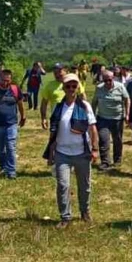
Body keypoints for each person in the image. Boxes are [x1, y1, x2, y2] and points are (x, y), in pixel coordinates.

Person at [44, 73, 99, 227]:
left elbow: (92, 128)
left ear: (78, 88)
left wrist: (94, 149)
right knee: (63, 185)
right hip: (62, 153)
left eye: (74, 86)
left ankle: (85, 211)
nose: (71, 89)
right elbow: (54, 132)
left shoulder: (85, 106)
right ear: (63, 88)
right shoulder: (58, 107)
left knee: (85, 186)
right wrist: (51, 153)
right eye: (68, 86)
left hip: (82, 153)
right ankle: (65, 217)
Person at [94, 69, 131, 170]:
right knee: (103, 139)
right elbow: (94, 102)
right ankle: (105, 162)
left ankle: (117, 159)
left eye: (109, 80)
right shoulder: (99, 88)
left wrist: (127, 114)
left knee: (117, 140)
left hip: (117, 118)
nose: (107, 83)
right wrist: (92, 115)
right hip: (102, 118)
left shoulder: (120, 86)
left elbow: (127, 99)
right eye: (105, 81)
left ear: (113, 78)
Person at [39, 64, 67, 129]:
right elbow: (44, 103)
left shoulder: (73, 83)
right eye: (55, 73)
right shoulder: (49, 86)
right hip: (56, 117)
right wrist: (43, 118)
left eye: (59, 72)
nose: (57, 75)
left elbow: (82, 97)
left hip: (73, 117)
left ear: (65, 71)